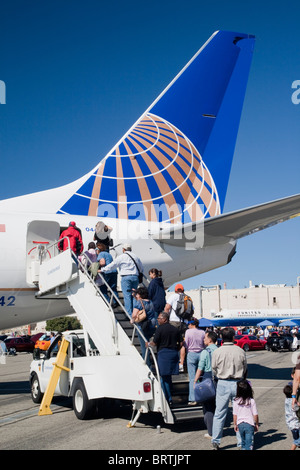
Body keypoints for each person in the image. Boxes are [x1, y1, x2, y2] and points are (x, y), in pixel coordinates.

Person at [211, 327, 248, 450]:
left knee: (219, 413)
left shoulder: (217, 351)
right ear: (233, 337)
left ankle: (216, 440)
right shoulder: (240, 351)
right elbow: (245, 368)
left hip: (222, 382)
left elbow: (214, 369)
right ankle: (241, 441)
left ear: (221, 338)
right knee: (240, 413)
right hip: (238, 382)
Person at [148, 311, 182, 406]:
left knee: (164, 376)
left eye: (159, 318)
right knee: (168, 376)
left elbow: (154, 343)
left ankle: (167, 398)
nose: (158, 320)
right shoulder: (175, 329)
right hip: (173, 353)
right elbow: (181, 343)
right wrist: (176, 349)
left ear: (164, 319)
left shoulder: (160, 329)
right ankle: (168, 395)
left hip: (163, 354)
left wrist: (148, 344)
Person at [100, 244, 143, 316]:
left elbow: (113, 265)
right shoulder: (136, 257)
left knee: (127, 296)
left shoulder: (122, 257)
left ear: (123, 249)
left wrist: (102, 270)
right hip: (135, 277)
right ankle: (135, 313)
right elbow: (141, 268)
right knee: (134, 296)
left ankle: (129, 315)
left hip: (126, 277)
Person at [194, 330, 218, 438]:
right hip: (219, 378)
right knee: (218, 406)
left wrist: (195, 380)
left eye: (205, 338)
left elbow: (200, 368)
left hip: (208, 378)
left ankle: (211, 432)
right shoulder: (219, 350)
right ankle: (218, 430)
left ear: (210, 339)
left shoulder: (205, 352)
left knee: (208, 406)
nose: (203, 340)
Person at [165, 284, 190, 372]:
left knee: (172, 342)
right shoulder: (188, 298)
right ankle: (181, 364)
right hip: (184, 323)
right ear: (183, 290)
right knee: (182, 343)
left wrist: (166, 318)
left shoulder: (173, 296)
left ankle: (172, 363)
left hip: (173, 322)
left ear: (176, 290)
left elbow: (167, 308)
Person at [131, 286, 156, 366]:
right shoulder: (150, 302)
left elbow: (134, 314)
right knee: (147, 343)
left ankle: (147, 365)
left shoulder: (139, 302)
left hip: (142, 326)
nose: (136, 296)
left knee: (144, 346)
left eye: (137, 294)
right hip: (151, 325)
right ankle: (149, 361)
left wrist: (132, 320)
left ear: (140, 294)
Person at [183, 318, 205, 405]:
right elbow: (204, 344)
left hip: (191, 353)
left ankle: (193, 398)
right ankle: (201, 396)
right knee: (200, 376)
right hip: (201, 353)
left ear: (192, 324)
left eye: (189, 323)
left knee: (192, 378)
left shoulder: (188, 332)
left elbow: (186, 344)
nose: (188, 325)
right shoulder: (202, 332)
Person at [233, 380, 259, 450]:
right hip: (249, 424)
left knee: (243, 442)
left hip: (240, 424)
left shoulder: (236, 401)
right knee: (249, 443)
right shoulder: (251, 401)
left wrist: (235, 424)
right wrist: (256, 424)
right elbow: (255, 414)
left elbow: (235, 415)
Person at [283, 384, 300, 450]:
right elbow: (296, 408)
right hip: (295, 424)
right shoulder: (292, 402)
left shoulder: (286, 400)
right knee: (296, 441)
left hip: (290, 423)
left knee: (296, 440)